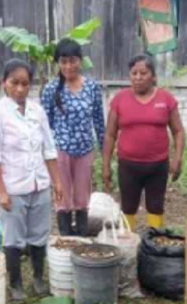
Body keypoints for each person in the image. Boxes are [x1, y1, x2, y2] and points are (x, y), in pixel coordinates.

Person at [0, 59, 63, 301]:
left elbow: (48, 150)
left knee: (39, 233)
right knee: (13, 238)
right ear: (4, 84)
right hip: (12, 186)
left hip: (38, 183)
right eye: (14, 83)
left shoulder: (36, 111)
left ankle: (39, 278)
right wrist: (2, 191)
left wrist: (57, 182)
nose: (20, 89)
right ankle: (16, 283)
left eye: (25, 84)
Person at [102, 54, 185, 230]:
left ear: (153, 76)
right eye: (134, 73)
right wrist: (105, 165)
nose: (138, 78)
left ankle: (153, 245)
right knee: (128, 207)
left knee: (155, 207)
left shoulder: (166, 99)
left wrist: (178, 158)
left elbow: (178, 131)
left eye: (143, 73)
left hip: (158, 166)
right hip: (128, 166)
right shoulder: (120, 100)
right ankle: (129, 245)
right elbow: (110, 134)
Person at [41, 39, 105, 237]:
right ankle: (67, 238)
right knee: (63, 196)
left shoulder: (92, 87)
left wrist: (104, 152)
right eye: (63, 62)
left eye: (73, 61)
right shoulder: (51, 89)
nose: (68, 66)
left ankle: (83, 237)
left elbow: (98, 121)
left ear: (80, 61)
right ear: (58, 64)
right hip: (60, 151)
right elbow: (45, 125)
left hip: (85, 150)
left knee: (82, 197)